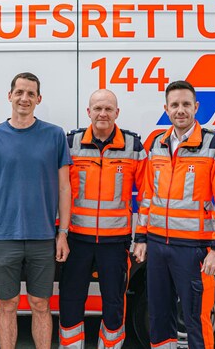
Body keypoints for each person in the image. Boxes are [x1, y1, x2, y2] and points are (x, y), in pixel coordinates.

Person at [0, 72, 71, 349]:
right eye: (19, 92)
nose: (24, 98)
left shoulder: (54, 135)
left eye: (30, 93)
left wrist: (62, 233)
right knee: (7, 303)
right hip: (4, 236)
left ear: (39, 99)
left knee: (41, 303)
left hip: (43, 237)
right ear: (10, 96)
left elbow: (65, 189)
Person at [133, 80, 215, 349]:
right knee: (158, 315)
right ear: (166, 108)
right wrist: (141, 238)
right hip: (157, 245)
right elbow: (147, 195)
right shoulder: (156, 143)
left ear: (196, 107)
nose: (180, 110)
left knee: (197, 318)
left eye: (186, 104)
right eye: (175, 104)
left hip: (194, 249)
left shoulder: (214, 145)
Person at [58, 89, 146, 349]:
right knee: (71, 300)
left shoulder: (133, 146)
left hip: (115, 243)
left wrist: (141, 235)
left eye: (108, 109)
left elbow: (148, 193)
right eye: (97, 108)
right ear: (88, 112)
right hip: (77, 239)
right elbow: (58, 189)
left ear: (117, 113)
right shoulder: (70, 143)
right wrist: (60, 233)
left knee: (114, 303)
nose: (102, 114)